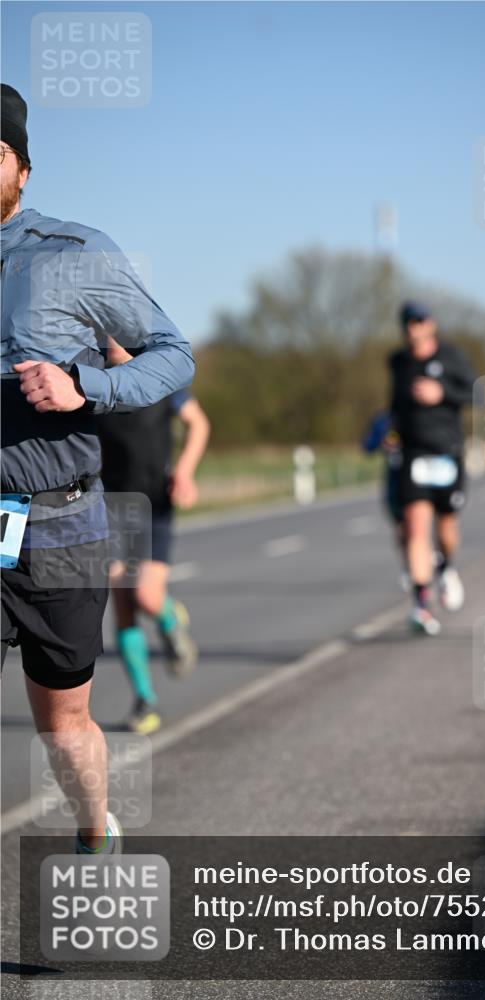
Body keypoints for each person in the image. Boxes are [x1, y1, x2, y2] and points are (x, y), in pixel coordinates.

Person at [0, 84, 195, 854]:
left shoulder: (73, 257)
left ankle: (93, 829)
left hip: (57, 526)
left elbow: (172, 355)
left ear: (17, 164)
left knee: (63, 723)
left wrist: (87, 386)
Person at [97, 337, 210, 734]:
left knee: (145, 594)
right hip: (111, 506)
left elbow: (198, 424)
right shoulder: (92, 380)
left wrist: (185, 471)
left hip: (155, 504)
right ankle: (144, 700)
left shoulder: (160, 376)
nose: (109, 339)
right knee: (123, 602)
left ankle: (167, 616)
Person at [388, 301, 475, 636]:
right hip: (412, 454)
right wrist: (391, 433)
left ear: (431, 324)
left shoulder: (452, 357)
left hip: (447, 453)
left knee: (446, 528)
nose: (414, 328)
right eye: (408, 322)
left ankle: (447, 566)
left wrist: (442, 392)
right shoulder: (398, 363)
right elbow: (394, 405)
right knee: (415, 527)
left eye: (419, 321)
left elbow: (476, 393)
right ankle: (421, 605)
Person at [361, 411, 407, 587]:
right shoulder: (383, 420)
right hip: (395, 482)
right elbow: (367, 446)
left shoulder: (419, 414)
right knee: (400, 527)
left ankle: (433, 559)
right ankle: (409, 566)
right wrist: (382, 442)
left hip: (420, 480)